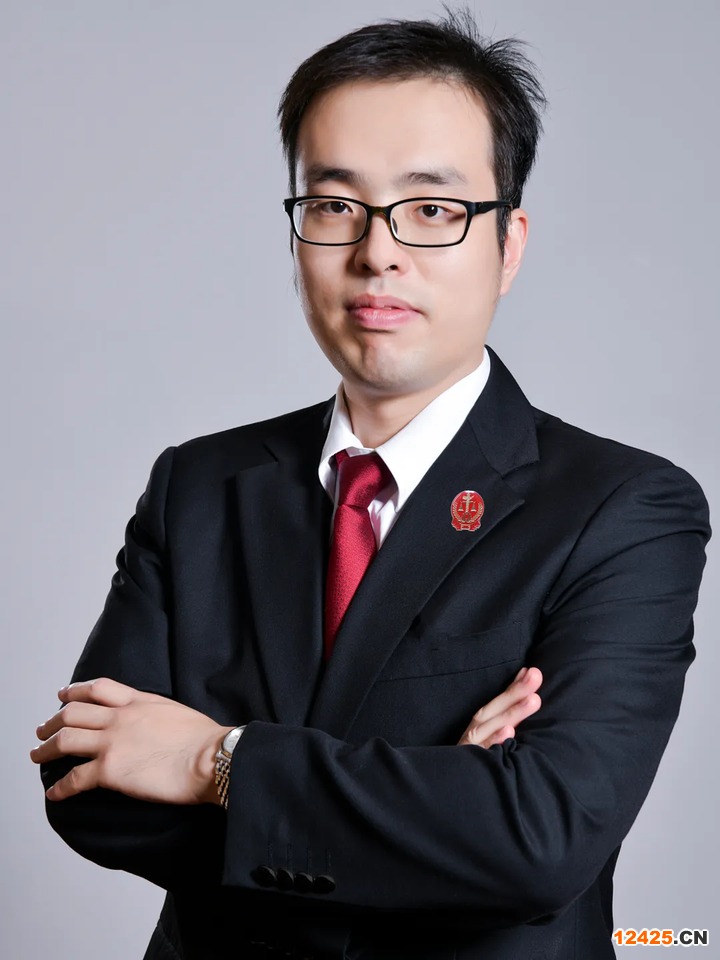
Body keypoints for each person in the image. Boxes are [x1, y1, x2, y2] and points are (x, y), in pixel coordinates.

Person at [31, 7, 711, 960]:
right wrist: (435, 804)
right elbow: (90, 789)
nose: (377, 252)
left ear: (509, 244)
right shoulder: (200, 486)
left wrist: (212, 759)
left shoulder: (624, 509)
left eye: (432, 210)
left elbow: (539, 841)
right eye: (333, 205)